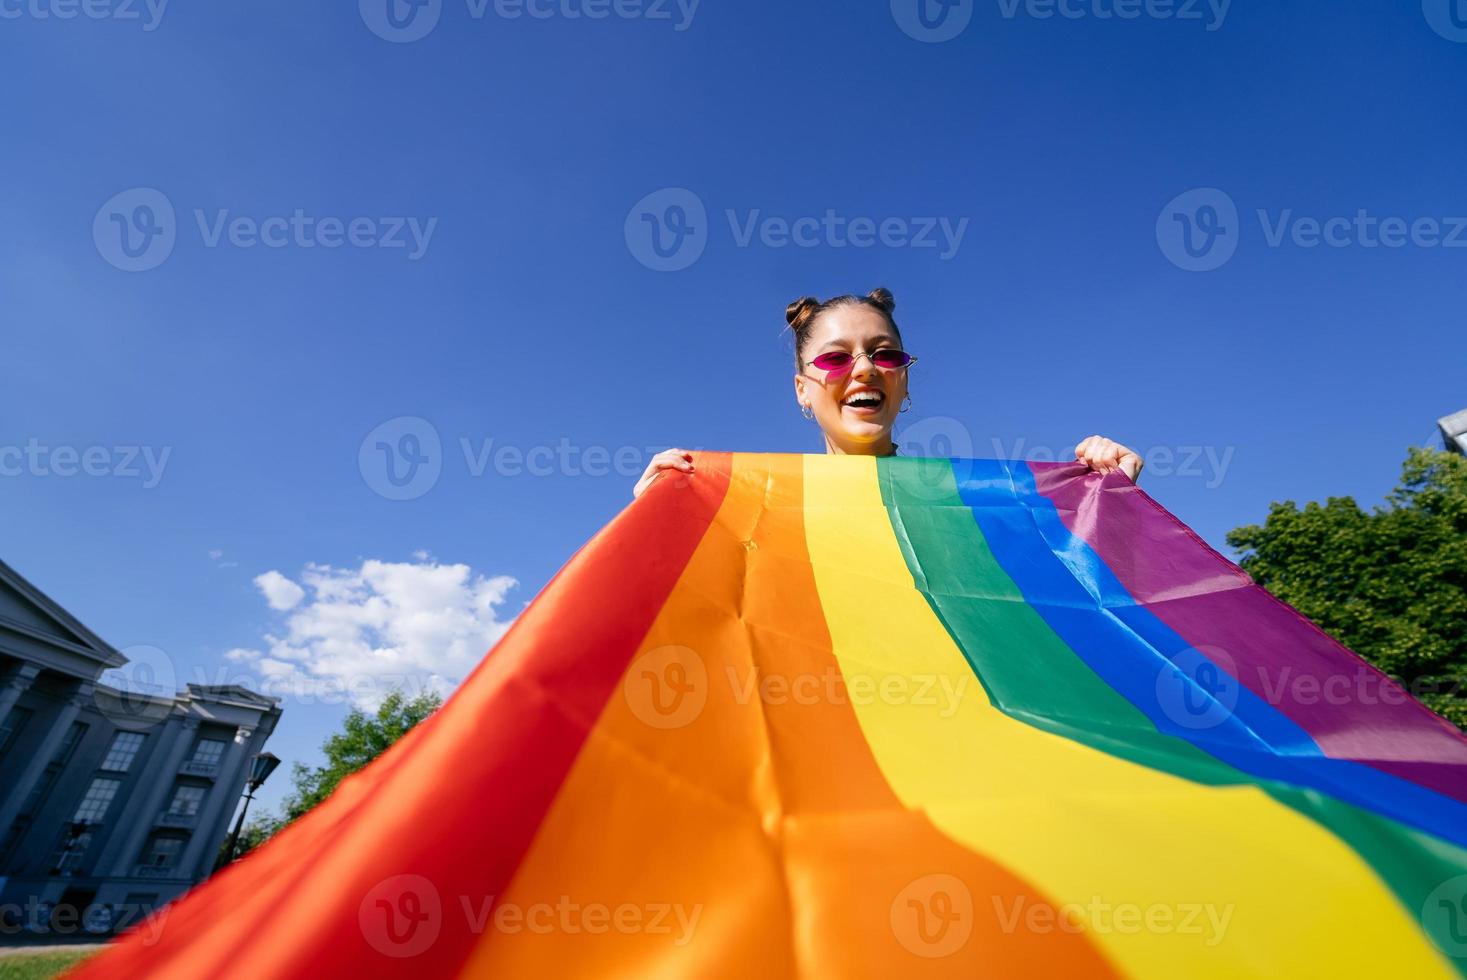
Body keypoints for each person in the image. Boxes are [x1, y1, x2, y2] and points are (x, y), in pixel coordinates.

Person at [633, 288, 1143, 498]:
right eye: (835, 358)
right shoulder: (757, 503)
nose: (864, 370)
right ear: (802, 391)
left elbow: (1077, 601)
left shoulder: (963, 501)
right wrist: (657, 518)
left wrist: (1108, 499)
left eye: (884, 355)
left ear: (904, 380)